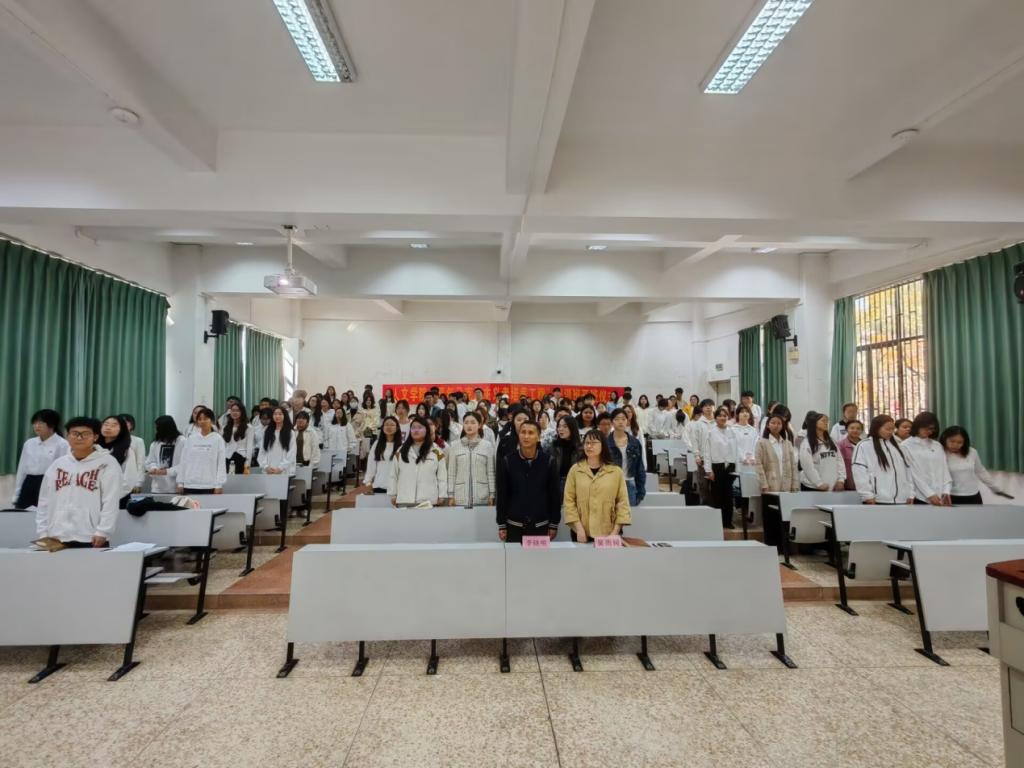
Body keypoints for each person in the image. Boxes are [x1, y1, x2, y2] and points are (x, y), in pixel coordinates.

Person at [35, 416, 122, 547]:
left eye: (85, 434)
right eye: (75, 434)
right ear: (67, 436)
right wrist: (43, 532)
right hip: (56, 536)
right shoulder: (58, 464)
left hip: (92, 536)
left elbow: (111, 500)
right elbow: (44, 500)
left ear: (95, 437)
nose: (79, 438)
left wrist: (103, 531)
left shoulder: (107, 463)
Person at [495, 420, 560, 542]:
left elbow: (554, 495)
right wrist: (502, 523)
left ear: (538, 437)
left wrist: (554, 524)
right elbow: (502, 494)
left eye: (530, 433)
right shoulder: (508, 461)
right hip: (514, 524)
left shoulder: (549, 461)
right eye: (523, 432)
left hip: (541, 524)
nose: (526, 436)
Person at [563, 430, 632, 542]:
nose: (589, 446)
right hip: (582, 532)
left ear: (603, 445)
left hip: (609, 531)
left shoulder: (616, 472)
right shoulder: (575, 470)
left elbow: (622, 503)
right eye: (586, 443)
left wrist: (615, 532)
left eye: (593, 443)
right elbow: (569, 501)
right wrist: (578, 529)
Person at [940, 426, 1014, 504]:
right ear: (945, 439)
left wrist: (996, 488)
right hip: (949, 496)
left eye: (960, 442)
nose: (955, 445)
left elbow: (981, 472)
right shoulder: (940, 453)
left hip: (973, 495)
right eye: (952, 441)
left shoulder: (972, 452)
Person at [12, 409, 68, 509]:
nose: (36, 426)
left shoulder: (62, 444)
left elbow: (64, 472)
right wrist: (16, 495)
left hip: (49, 484)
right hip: (29, 483)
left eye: (41, 423)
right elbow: (22, 470)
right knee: (22, 514)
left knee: (45, 515)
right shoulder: (29, 443)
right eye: (34, 423)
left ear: (52, 425)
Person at [851, 415, 914, 504]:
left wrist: (910, 493)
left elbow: (908, 471)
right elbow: (859, 472)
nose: (891, 432)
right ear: (877, 428)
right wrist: (867, 495)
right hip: (877, 499)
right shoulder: (864, 446)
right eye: (888, 429)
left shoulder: (900, 447)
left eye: (892, 429)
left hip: (902, 499)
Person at [389, 416, 447, 507]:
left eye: (420, 427)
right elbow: (393, 474)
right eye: (413, 428)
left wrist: (442, 495)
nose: (416, 430)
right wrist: (393, 494)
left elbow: (442, 476)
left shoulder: (436, 451)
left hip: (428, 502)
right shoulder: (401, 450)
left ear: (427, 430)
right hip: (404, 500)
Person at [446, 412, 496, 507]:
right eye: (466, 422)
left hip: (482, 497)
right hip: (459, 498)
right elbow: (451, 473)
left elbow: (490, 472)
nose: (469, 425)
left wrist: (492, 494)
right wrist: (450, 495)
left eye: (473, 422)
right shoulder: (454, 445)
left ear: (479, 425)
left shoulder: (487, 446)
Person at [173, 406, 227, 494]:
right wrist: (180, 482)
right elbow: (184, 460)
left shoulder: (217, 439)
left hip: (209, 485)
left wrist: (219, 485)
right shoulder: (191, 438)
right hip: (190, 484)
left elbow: (221, 463)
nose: (202, 421)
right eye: (200, 419)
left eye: (205, 419)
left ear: (212, 421)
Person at [702, 406, 739, 529]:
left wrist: (737, 468)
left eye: (725, 416)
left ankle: (728, 521)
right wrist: (708, 470)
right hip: (717, 466)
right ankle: (717, 522)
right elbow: (707, 453)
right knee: (717, 495)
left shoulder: (732, 431)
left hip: (730, 466)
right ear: (715, 418)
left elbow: (736, 450)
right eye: (720, 416)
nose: (722, 418)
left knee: (729, 495)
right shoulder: (711, 432)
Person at [798, 412, 847, 492]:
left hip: (831, 486)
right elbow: (807, 466)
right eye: (823, 420)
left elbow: (839, 461)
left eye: (827, 421)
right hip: (813, 487)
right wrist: (818, 483)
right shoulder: (806, 443)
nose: (826, 423)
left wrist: (841, 480)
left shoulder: (831, 441)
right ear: (814, 423)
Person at [607, 408, 646, 506]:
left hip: (629, 483)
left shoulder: (634, 442)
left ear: (627, 421)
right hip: (609, 485)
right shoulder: (605, 443)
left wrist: (641, 491)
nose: (620, 422)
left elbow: (639, 467)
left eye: (623, 419)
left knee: (628, 514)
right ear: (612, 422)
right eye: (617, 419)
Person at [98, 415, 139, 506]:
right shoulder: (93, 448)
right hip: (94, 498)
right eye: (106, 424)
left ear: (122, 429)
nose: (108, 428)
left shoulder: (126, 450)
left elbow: (128, 480)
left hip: (117, 498)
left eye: (114, 425)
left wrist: (109, 497)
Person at [755, 414, 800, 494]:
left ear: (782, 426)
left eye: (779, 423)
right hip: (769, 486)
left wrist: (795, 484)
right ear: (768, 425)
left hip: (787, 486)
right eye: (773, 423)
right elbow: (758, 465)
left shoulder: (787, 444)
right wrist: (763, 484)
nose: (776, 425)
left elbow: (793, 465)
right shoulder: (761, 443)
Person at [145, 415, 185, 494]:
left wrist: (166, 471)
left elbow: (184, 465)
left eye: (158, 428)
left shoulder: (182, 441)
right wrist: (154, 468)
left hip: (175, 487)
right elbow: (150, 461)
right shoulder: (155, 443)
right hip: (158, 487)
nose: (156, 430)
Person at [364, 416, 402, 494]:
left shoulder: (401, 446)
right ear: (383, 427)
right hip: (379, 485)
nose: (389, 427)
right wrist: (368, 481)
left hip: (397, 487)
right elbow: (371, 463)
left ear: (397, 428)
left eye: (392, 425)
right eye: (386, 424)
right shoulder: (377, 444)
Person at [260, 406, 297, 477]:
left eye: (280, 414)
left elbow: (292, 452)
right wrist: (266, 467)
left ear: (285, 416)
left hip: (283, 470)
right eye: (275, 414)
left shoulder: (290, 432)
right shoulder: (267, 431)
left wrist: (280, 468)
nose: (277, 416)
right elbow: (262, 451)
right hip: (268, 470)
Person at [222, 401, 252, 475]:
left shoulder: (248, 427)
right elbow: (223, 446)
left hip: (241, 458)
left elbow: (249, 447)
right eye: (233, 410)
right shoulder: (225, 427)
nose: (235, 413)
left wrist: (247, 464)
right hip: (227, 458)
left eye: (237, 410)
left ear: (242, 412)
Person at [120, 414, 147, 489]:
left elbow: (140, 463)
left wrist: (139, 483)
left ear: (131, 426)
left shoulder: (138, 441)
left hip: (130, 481)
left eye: (125, 423)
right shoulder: (111, 441)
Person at [837, 419, 864, 491]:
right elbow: (839, 465)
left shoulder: (865, 445)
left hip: (864, 481)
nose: (855, 430)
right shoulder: (841, 445)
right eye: (852, 428)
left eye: (858, 428)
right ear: (847, 430)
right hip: (848, 482)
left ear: (861, 431)